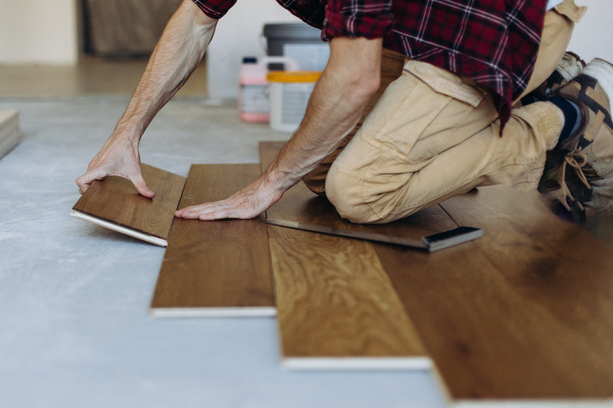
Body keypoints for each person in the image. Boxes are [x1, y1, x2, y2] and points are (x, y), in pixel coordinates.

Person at [75, 0, 612, 225]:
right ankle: (531, 91)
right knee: (319, 177)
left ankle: (570, 113)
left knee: (357, 191)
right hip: (425, 30)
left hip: (491, 33)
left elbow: (355, 78)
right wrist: (127, 134)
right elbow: (196, 17)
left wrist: (265, 187)